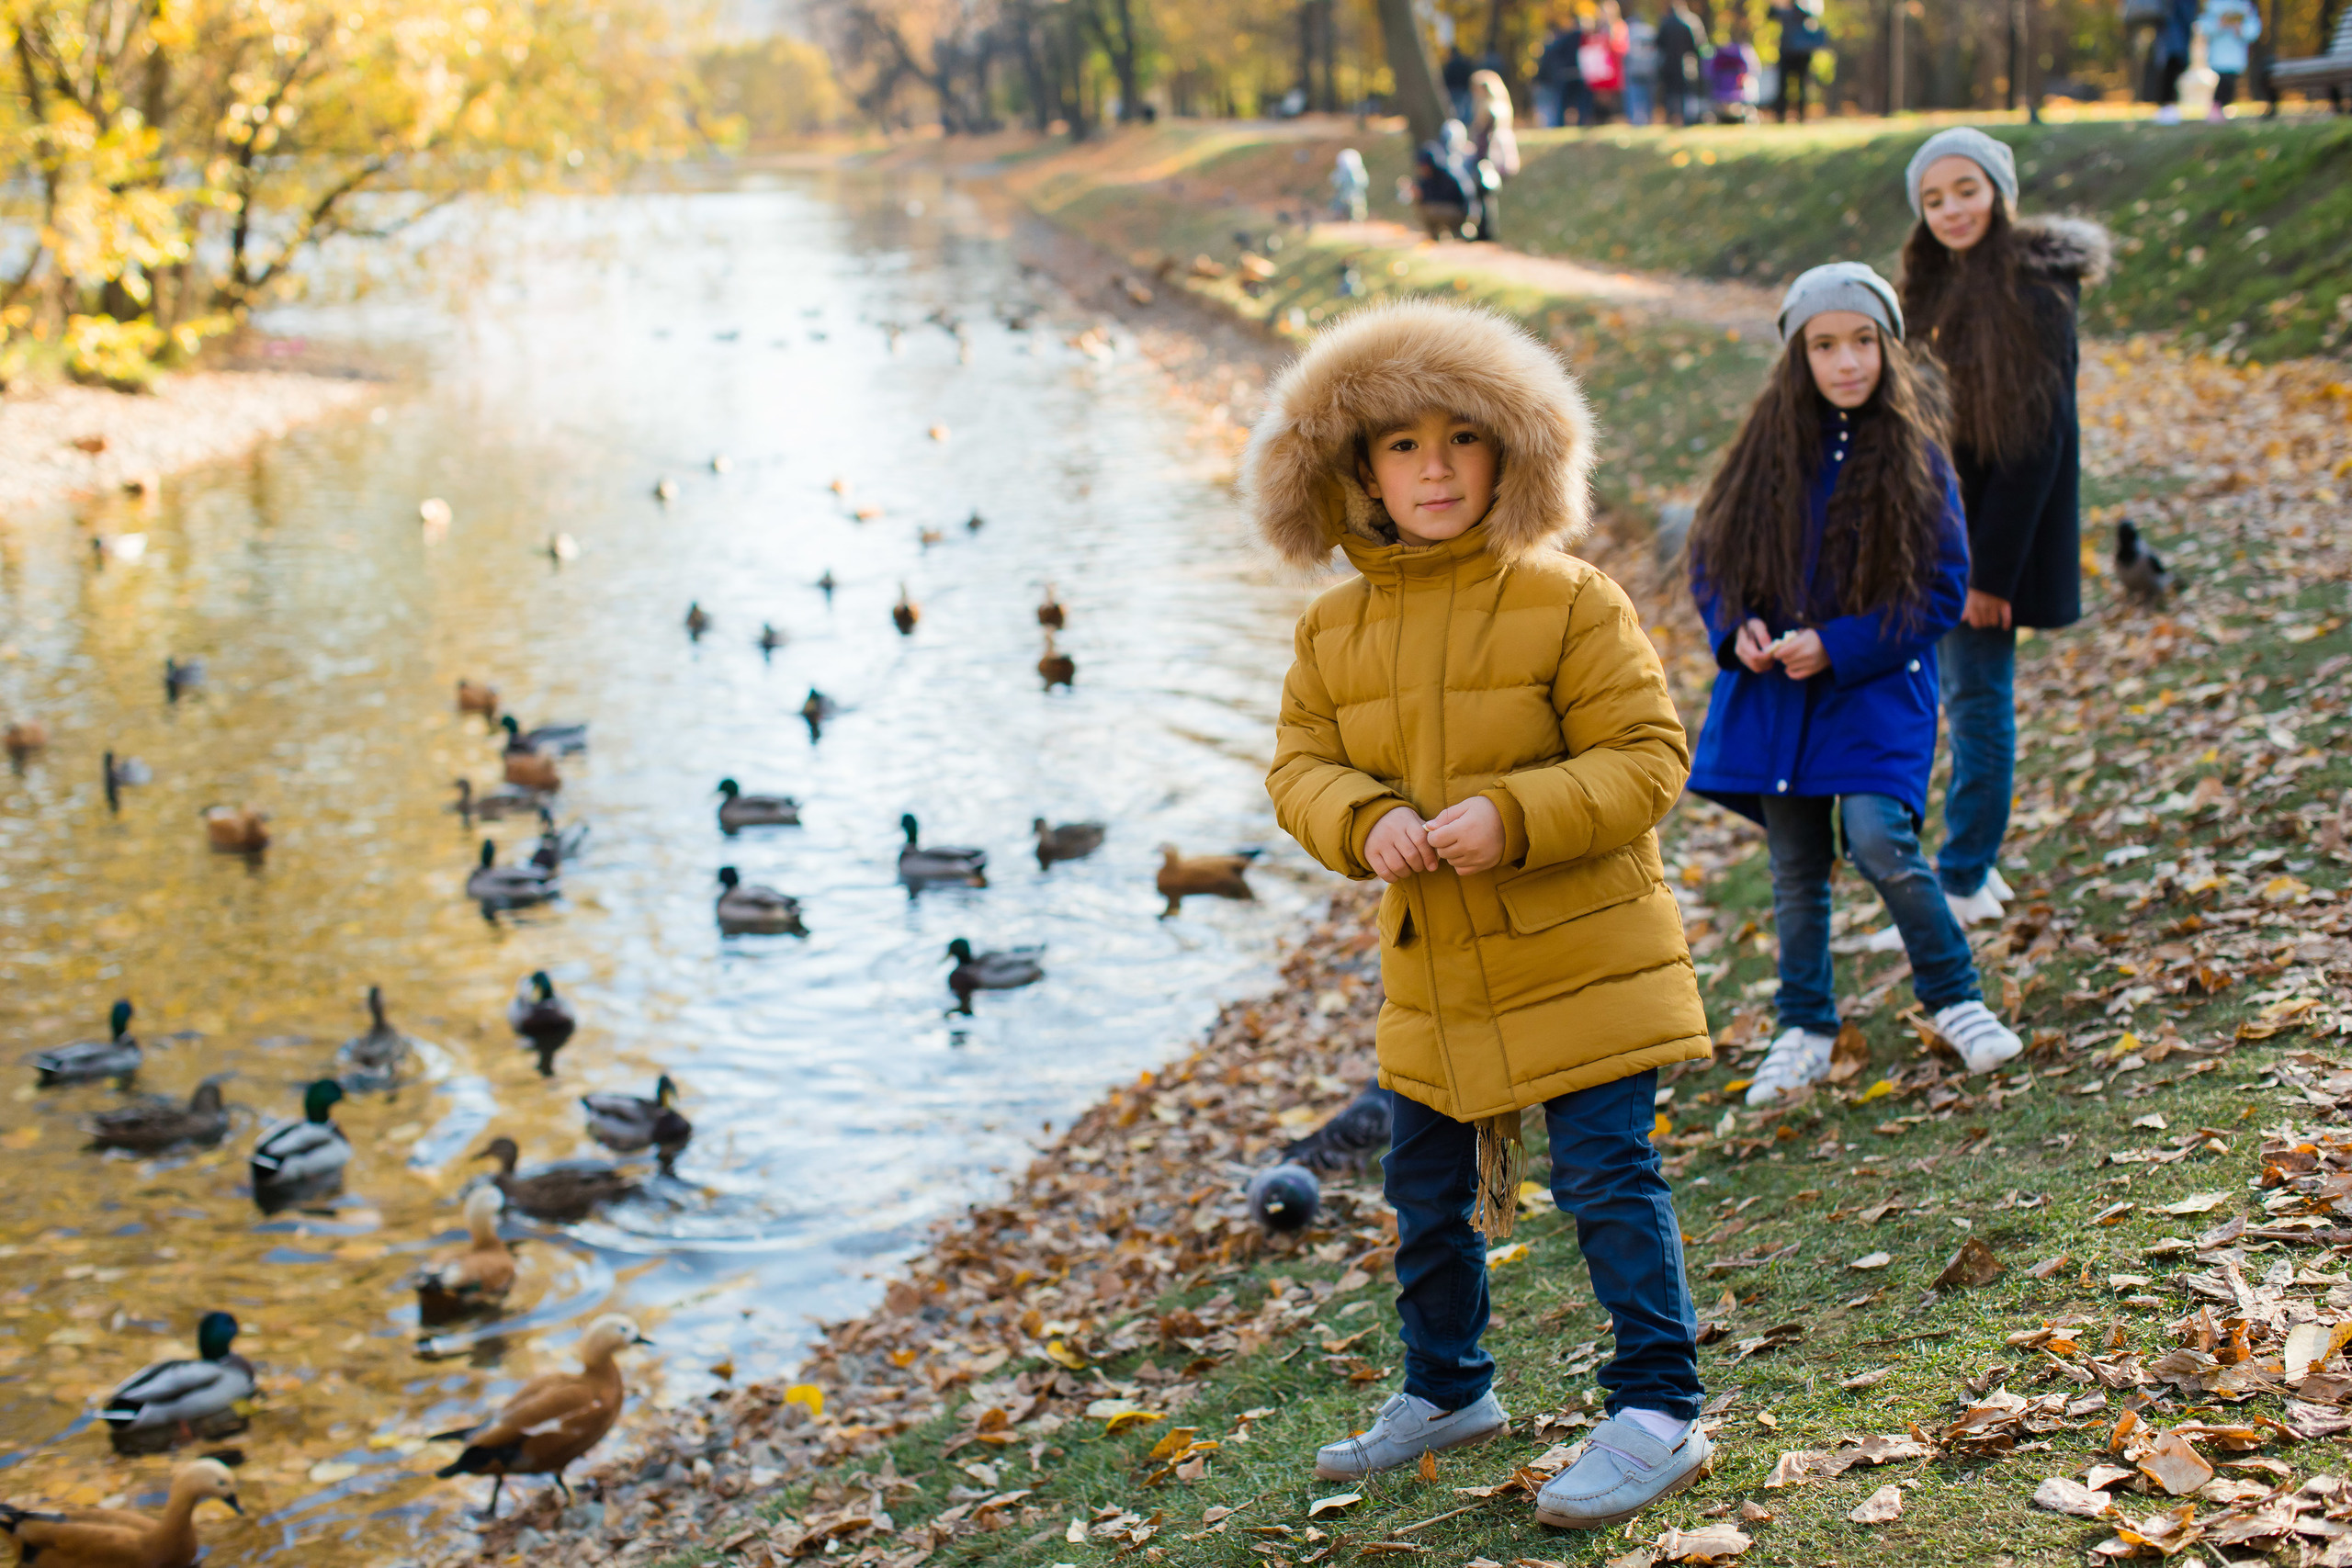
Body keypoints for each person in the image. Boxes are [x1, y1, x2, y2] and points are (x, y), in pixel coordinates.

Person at [1248, 299, 1714, 1526]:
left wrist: (1516, 812)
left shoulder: (1568, 597)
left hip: (1585, 950)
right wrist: (1362, 817)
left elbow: (1648, 755)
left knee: (1609, 1173)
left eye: (1462, 436)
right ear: (1358, 470)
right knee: (1425, 1187)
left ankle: (1660, 1405)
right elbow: (1298, 766)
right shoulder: (1334, 625)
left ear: (1512, 453)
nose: (1436, 465)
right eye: (1402, 443)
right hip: (1438, 965)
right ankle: (1449, 1384)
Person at [1686, 263, 2026, 1101]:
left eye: (1862, 342)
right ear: (1797, 354)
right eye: (1825, 345)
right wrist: (1740, 630)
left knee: (1880, 839)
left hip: (1873, 687)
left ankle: (1955, 997)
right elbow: (1712, 560)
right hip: (1777, 696)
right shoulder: (1763, 457)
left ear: (1888, 347)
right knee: (1796, 866)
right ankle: (1803, 1025)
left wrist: (1837, 644)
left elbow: (1941, 587)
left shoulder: (1915, 456)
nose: (1846, 362)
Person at [1896, 129, 2109, 927]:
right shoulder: (1935, 283)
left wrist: (1989, 575)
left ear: (1999, 190)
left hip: (1985, 548)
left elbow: (2033, 444)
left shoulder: (2031, 287)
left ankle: (1961, 873)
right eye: (1934, 197)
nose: (1952, 209)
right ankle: (1975, 871)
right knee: (1970, 697)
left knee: (1978, 702)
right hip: (1944, 534)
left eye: (1966, 190)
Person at [1466, 71, 1520, 242]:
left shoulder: (1489, 109)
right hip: (1496, 154)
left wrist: (1477, 153)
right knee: (1488, 194)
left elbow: (1484, 136)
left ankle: (1485, 231)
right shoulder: (1502, 107)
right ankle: (1486, 230)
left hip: (1489, 155)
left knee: (1484, 192)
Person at [2196, 0, 2261, 117]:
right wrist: (2219, 25)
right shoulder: (2213, 4)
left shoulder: (2245, 5)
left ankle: (2222, 107)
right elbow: (2202, 25)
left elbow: (2254, 28)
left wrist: (2240, 29)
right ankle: (2217, 107)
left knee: (2231, 80)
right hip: (2218, 51)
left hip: (2236, 51)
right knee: (2223, 79)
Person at [1769, 0, 1828, 121]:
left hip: (1801, 53)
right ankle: (1781, 115)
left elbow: (1811, 15)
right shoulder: (1783, 9)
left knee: (1801, 85)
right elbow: (1771, 15)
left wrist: (1796, 5)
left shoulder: (1806, 6)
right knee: (1782, 85)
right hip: (1786, 52)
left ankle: (1801, 115)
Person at [1655, 0, 1707, 124]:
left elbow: (1659, 43)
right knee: (1687, 94)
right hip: (1687, 64)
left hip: (1670, 64)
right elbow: (1699, 46)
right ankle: (1688, 120)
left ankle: (1671, 119)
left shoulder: (1667, 22)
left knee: (1671, 94)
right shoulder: (1692, 21)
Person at [1411, 139, 1473, 240]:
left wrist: (1424, 195)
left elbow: (1455, 197)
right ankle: (1434, 234)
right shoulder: (1427, 178)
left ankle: (1458, 232)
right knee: (1422, 205)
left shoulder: (1448, 174)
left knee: (1429, 210)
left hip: (1460, 211)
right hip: (1448, 209)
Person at [1580, 2, 1631, 122]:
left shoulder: (1618, 26)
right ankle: (1601, 120)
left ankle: (1616, 120)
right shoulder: (1598, 29)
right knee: (1600, 100)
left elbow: (1621, 47)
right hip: (1601, 73)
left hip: (1615, 71)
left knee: (1614, 101)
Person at [2153, 0, 2199, 118]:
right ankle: (2167, 106)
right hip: (2175, 36)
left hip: (2171, 35)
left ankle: (2168, 106)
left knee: (2171, 68)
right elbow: (2187, 15)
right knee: (2172, 68)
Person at [1534, 19, 1581, 128]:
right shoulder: (1560, 44)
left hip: (1553, 80)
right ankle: (1554, 125)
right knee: (1553, 106)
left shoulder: (1557, 45)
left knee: (1554, 106)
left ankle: (1554, 125)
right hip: (1551, 81)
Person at [1625, 11, 1661, 124]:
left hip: (1634, 69)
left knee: (1634, 95)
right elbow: (1657, 51)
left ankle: (1635, 120)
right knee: (1648, 96)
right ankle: (1648, 118)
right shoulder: (1650, 31)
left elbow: (1625, 51)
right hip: (1649, 68)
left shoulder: (1630, 31)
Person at [1330, 148, 1371, 222]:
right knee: (1339, 205)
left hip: (1356, 196)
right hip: (1342, 195)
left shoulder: (1358, 173)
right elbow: (1335, 181)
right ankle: (1340, 219)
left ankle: (1357, 219)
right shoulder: (1340, 173)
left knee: (1358, 206)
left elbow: (1363, 183)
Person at [1443, 43, 1477, 122]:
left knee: (1455, 109)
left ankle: (1457, 122)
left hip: (1453, 89)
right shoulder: (1465, 62)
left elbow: (1447, 77)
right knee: (1464, 109)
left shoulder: (1451, 64)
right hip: (1464, 89)